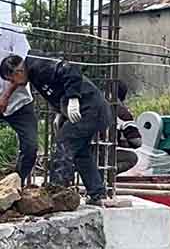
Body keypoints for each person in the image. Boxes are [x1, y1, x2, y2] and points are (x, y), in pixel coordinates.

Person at [0, 53, 111, 205]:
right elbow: (58, 89)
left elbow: (70, 70)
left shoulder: (39, 65)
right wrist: (61, 111)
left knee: (62, 144)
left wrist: (74, 98)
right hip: (88, 109)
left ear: (17, 72)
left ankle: (57, 194)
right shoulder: (33, 73)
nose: (16, 84)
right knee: (80, 152)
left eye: (12, 80)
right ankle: (97, 194)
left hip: (89, 108)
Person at [0, 25, 38, 183]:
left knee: (30, 146)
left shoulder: (12, 33)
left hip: (19, 102)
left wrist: (5, 95)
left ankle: (16, 183)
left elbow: (21, 68)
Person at [115, 80, 142, 175]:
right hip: (102, 154)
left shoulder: (93, 106)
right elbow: (136, 141)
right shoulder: (122, 112)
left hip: (81, 152)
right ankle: (104, 174)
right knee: (132, 158)